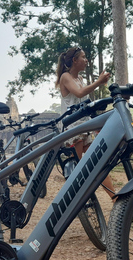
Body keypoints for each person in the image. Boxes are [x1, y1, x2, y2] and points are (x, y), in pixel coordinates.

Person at [55, 47, 116, 201]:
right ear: (75, 60)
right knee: (81, 168)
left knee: (97, 163)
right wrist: (99, 82)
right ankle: (78, 202)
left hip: (85, 126)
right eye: (83, 57)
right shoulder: (65, 77)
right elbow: (80, 93)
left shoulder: (80, 79)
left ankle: (115, 197)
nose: (86, 60)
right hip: (74, 129)